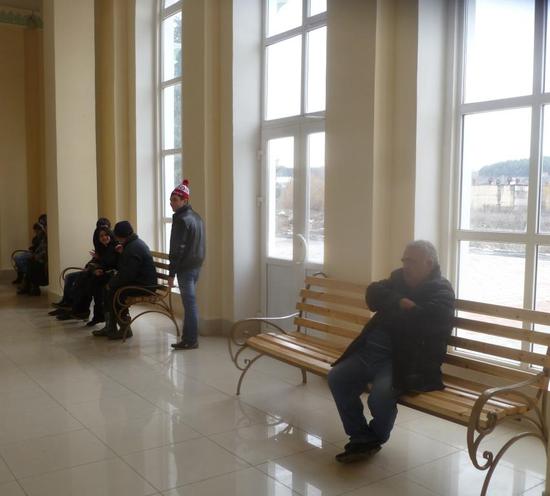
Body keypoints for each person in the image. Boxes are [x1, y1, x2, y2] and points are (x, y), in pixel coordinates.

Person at [327, 240, 455, 463]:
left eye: (411, 261)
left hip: (402, 361)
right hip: (369, 351)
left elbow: (426, 322)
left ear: (429, 263)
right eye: (404, 260)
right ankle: (360, 436)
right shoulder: (398, 278)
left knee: (379, 398)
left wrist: (394, 306)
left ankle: (374, 438)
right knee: (337, 377)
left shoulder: (442, 290)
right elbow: (372, 294)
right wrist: (400, 302)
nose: (406, 266)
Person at [93, 220, 157, 340]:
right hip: (141, 282)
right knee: (110, 290)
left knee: (114, 292)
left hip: (145, 286)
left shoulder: (133, 248)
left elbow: (128, 274)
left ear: (120, 236)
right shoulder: (132, 244)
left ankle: (124, 329)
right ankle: (111, 327)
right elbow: (127, 271)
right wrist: (122, 252)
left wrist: (111, 284)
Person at [167, 180, 205, 350]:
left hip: (185, 268)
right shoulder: (197, 217)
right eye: (171, 200)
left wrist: (171, 273)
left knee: (189, 305)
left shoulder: (181, 220)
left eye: (175, 200)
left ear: (185, 200)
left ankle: (190, 339)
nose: (171, 203)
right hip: (196, 266)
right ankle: (189, 338)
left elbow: (177, 249)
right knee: (190, 304)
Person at [54, 225, 119, 325]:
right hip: (101, 273)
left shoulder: (114, 246)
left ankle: (80, 310)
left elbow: (111, 263)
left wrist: (96, 264)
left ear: (110, 234)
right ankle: (78, 309)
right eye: (101, 236)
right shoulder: (102, 247)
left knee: (87, 281)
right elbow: (94, 262)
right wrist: (92, 267)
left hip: (110, 275)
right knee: (83, 278)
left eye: (106, 235)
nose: (104, 237)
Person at [12, 214, 47, 285]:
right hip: (35, 252)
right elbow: (36, 243)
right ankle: (23, 277)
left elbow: (44, 249)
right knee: (17, 257)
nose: (41, 224)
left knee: (19, 258)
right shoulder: (40, 234)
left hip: (39, 255)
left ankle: (27, 276)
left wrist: (36, 255)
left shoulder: (47, 234)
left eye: (42, 222)